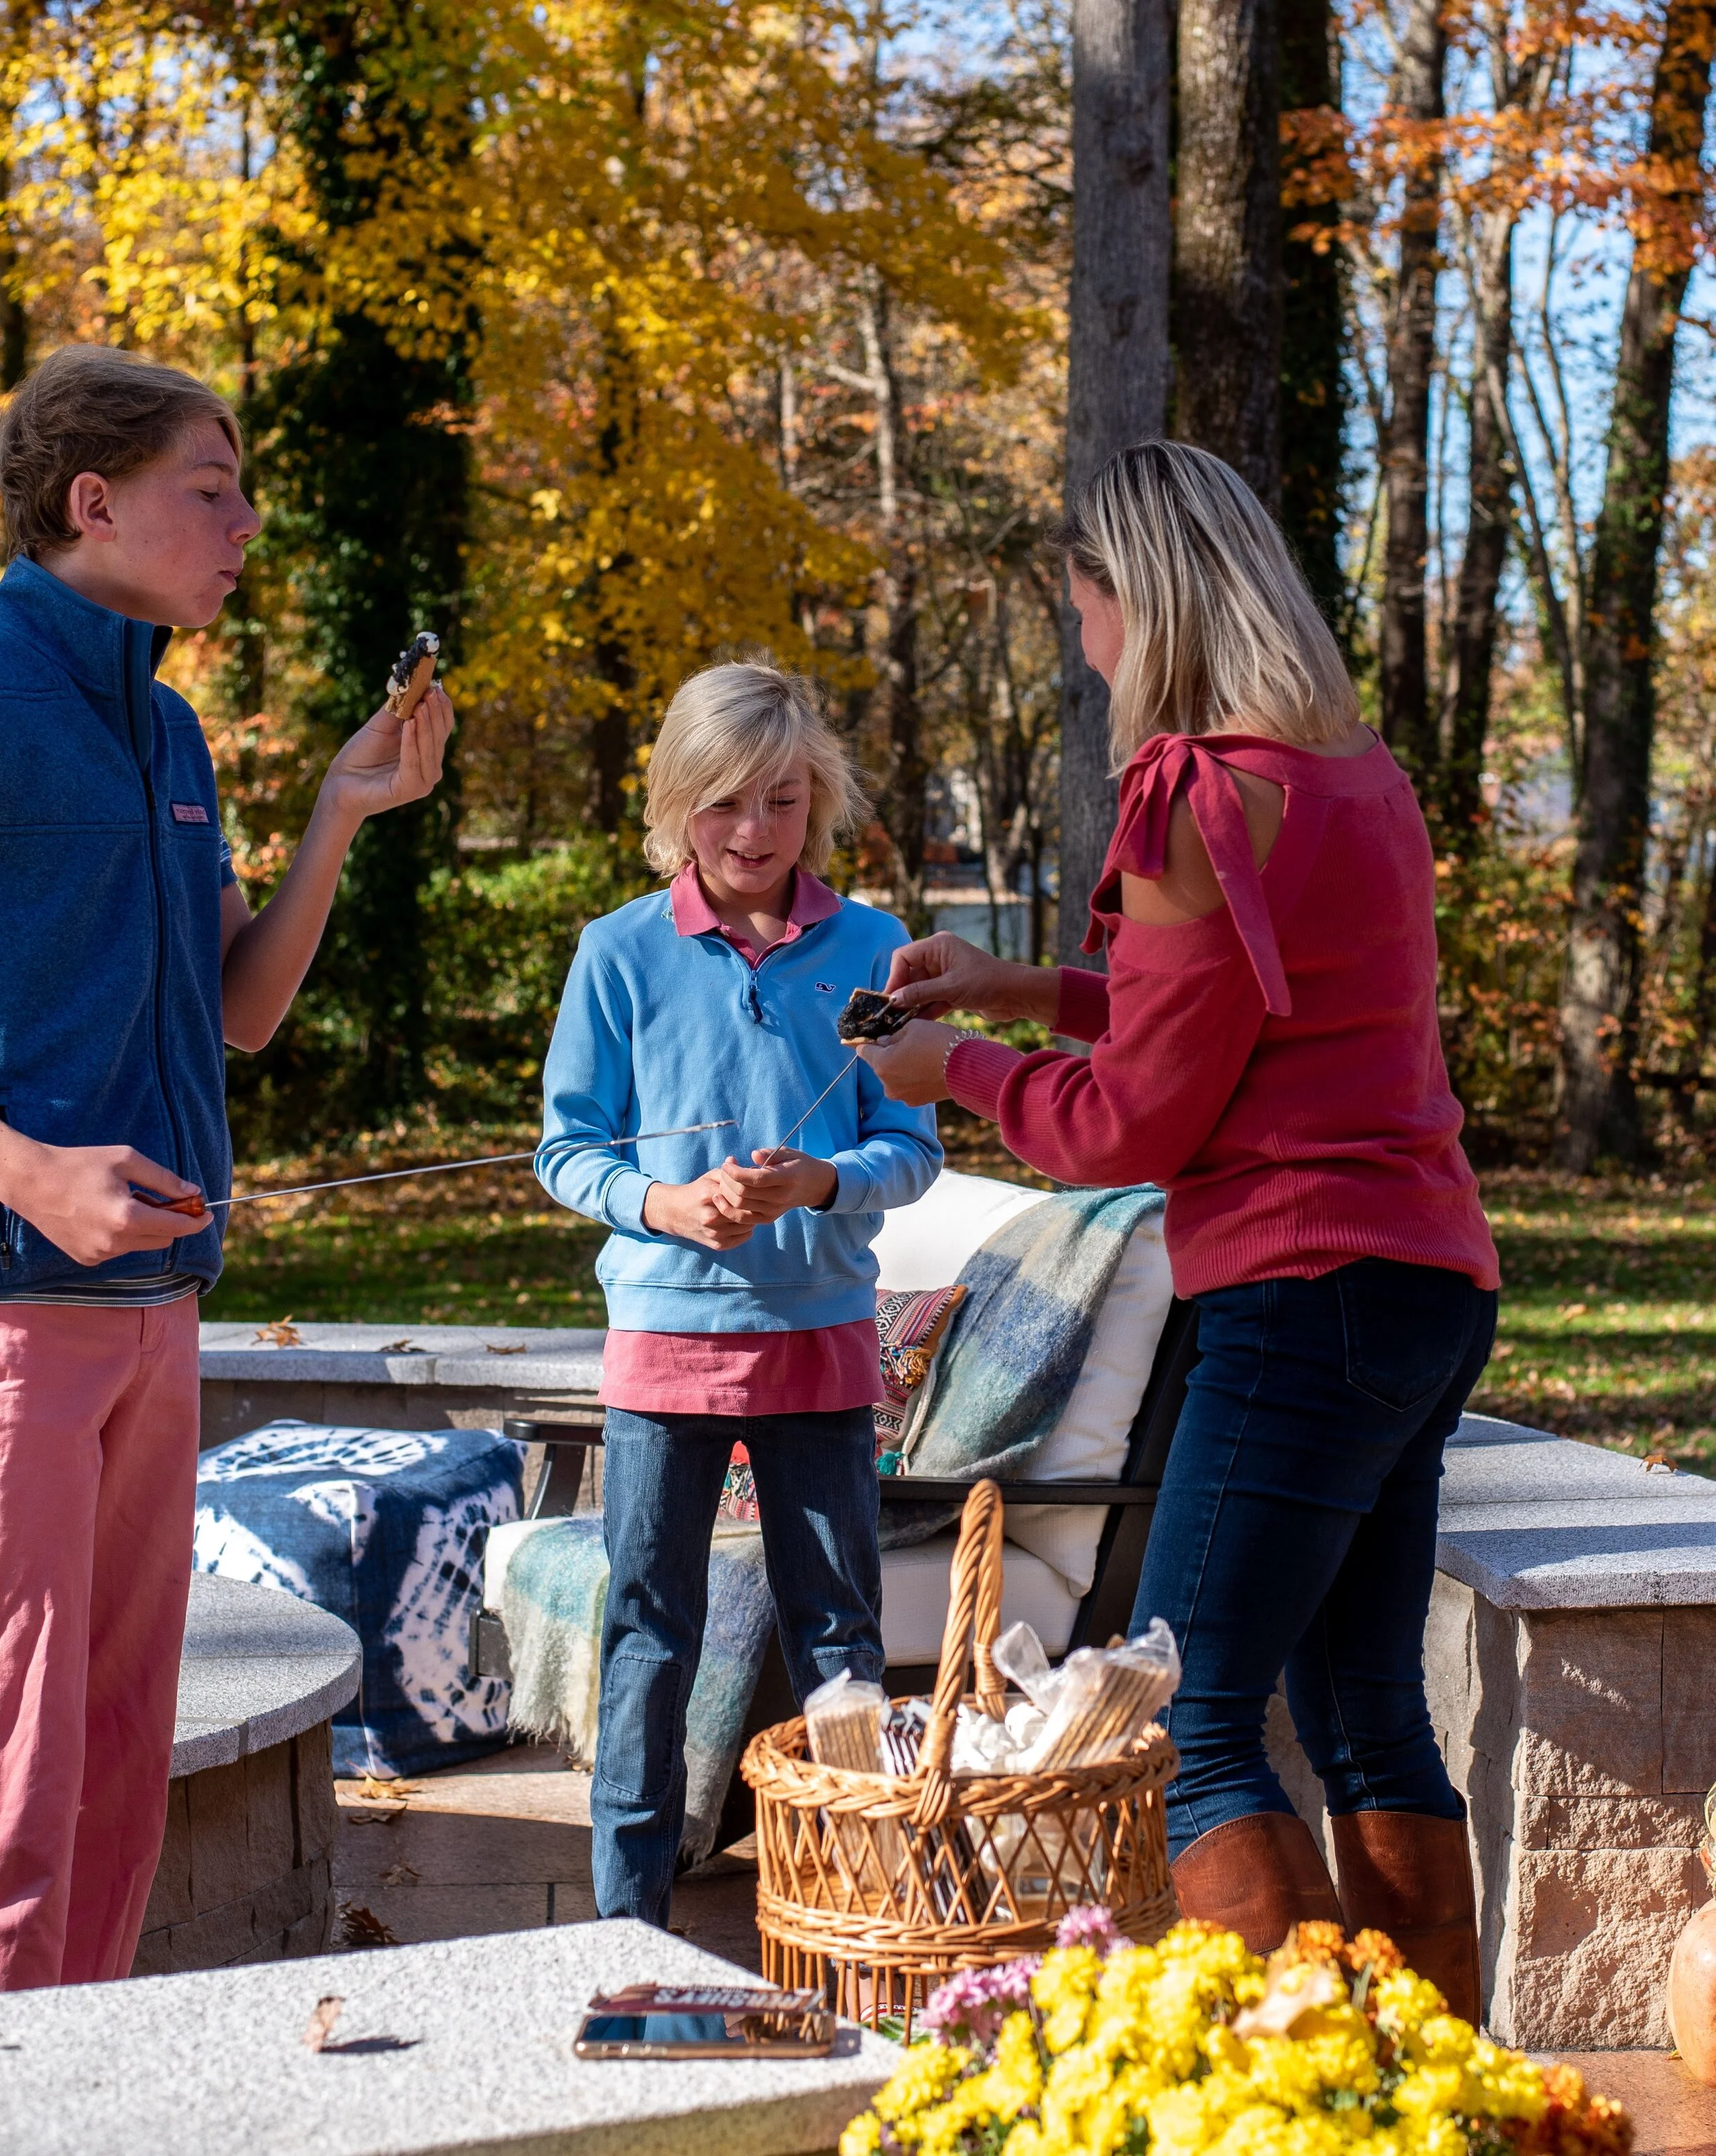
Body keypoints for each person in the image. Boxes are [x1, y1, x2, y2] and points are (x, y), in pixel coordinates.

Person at [857, 442, 1499, 2021]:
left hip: (1295, 1290)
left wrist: (961, 1075)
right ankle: (1430, 2095)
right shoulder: (1354, 778)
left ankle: (1295, 2096)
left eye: (1080, 609)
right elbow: (1245, 1011)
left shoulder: (1190, 791)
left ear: (1131, 600)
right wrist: (1019, 992)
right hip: (1422, 1280)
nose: (1081, 647)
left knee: (1182, 1712)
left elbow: (1134, 1122)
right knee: (1361, 1709)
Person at [0, 345, 453, 1990]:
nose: (246, 520)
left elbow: (240, 1013)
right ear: (91, 500)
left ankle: (89, 2073)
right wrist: (29, 1175)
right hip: (14, 1324)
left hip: (162, 1314)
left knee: (116, 1769)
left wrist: (338, 809)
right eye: (214, 483)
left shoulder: (170, 730)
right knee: (13, 1780)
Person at [535, 660, 941, 1928]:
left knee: (839, 1634)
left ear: (814, 798)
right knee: (650, 1631)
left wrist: (824, 1179)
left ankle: (865, 1906)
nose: (754, 834)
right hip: (663, 1340)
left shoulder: (875, 949)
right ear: (677, 807)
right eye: (723, 806)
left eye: (779, 801)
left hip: (821, 1342)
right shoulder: (617, 954)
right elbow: (568, 1150)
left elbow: (915, 1150)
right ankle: (623, 1925)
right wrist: (664, 1204)